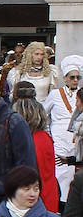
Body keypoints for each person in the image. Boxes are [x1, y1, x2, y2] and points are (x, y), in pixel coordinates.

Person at [44, 55, 81, 200]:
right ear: (65, 78)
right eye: (72, 77)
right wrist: (49, 133)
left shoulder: (81, 94)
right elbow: (43, 114)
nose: (75, 80)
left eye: (78, 77)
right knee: (59, 174)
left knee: (74, 175)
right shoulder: (55, 94)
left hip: (76, 142)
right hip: (59, 141)